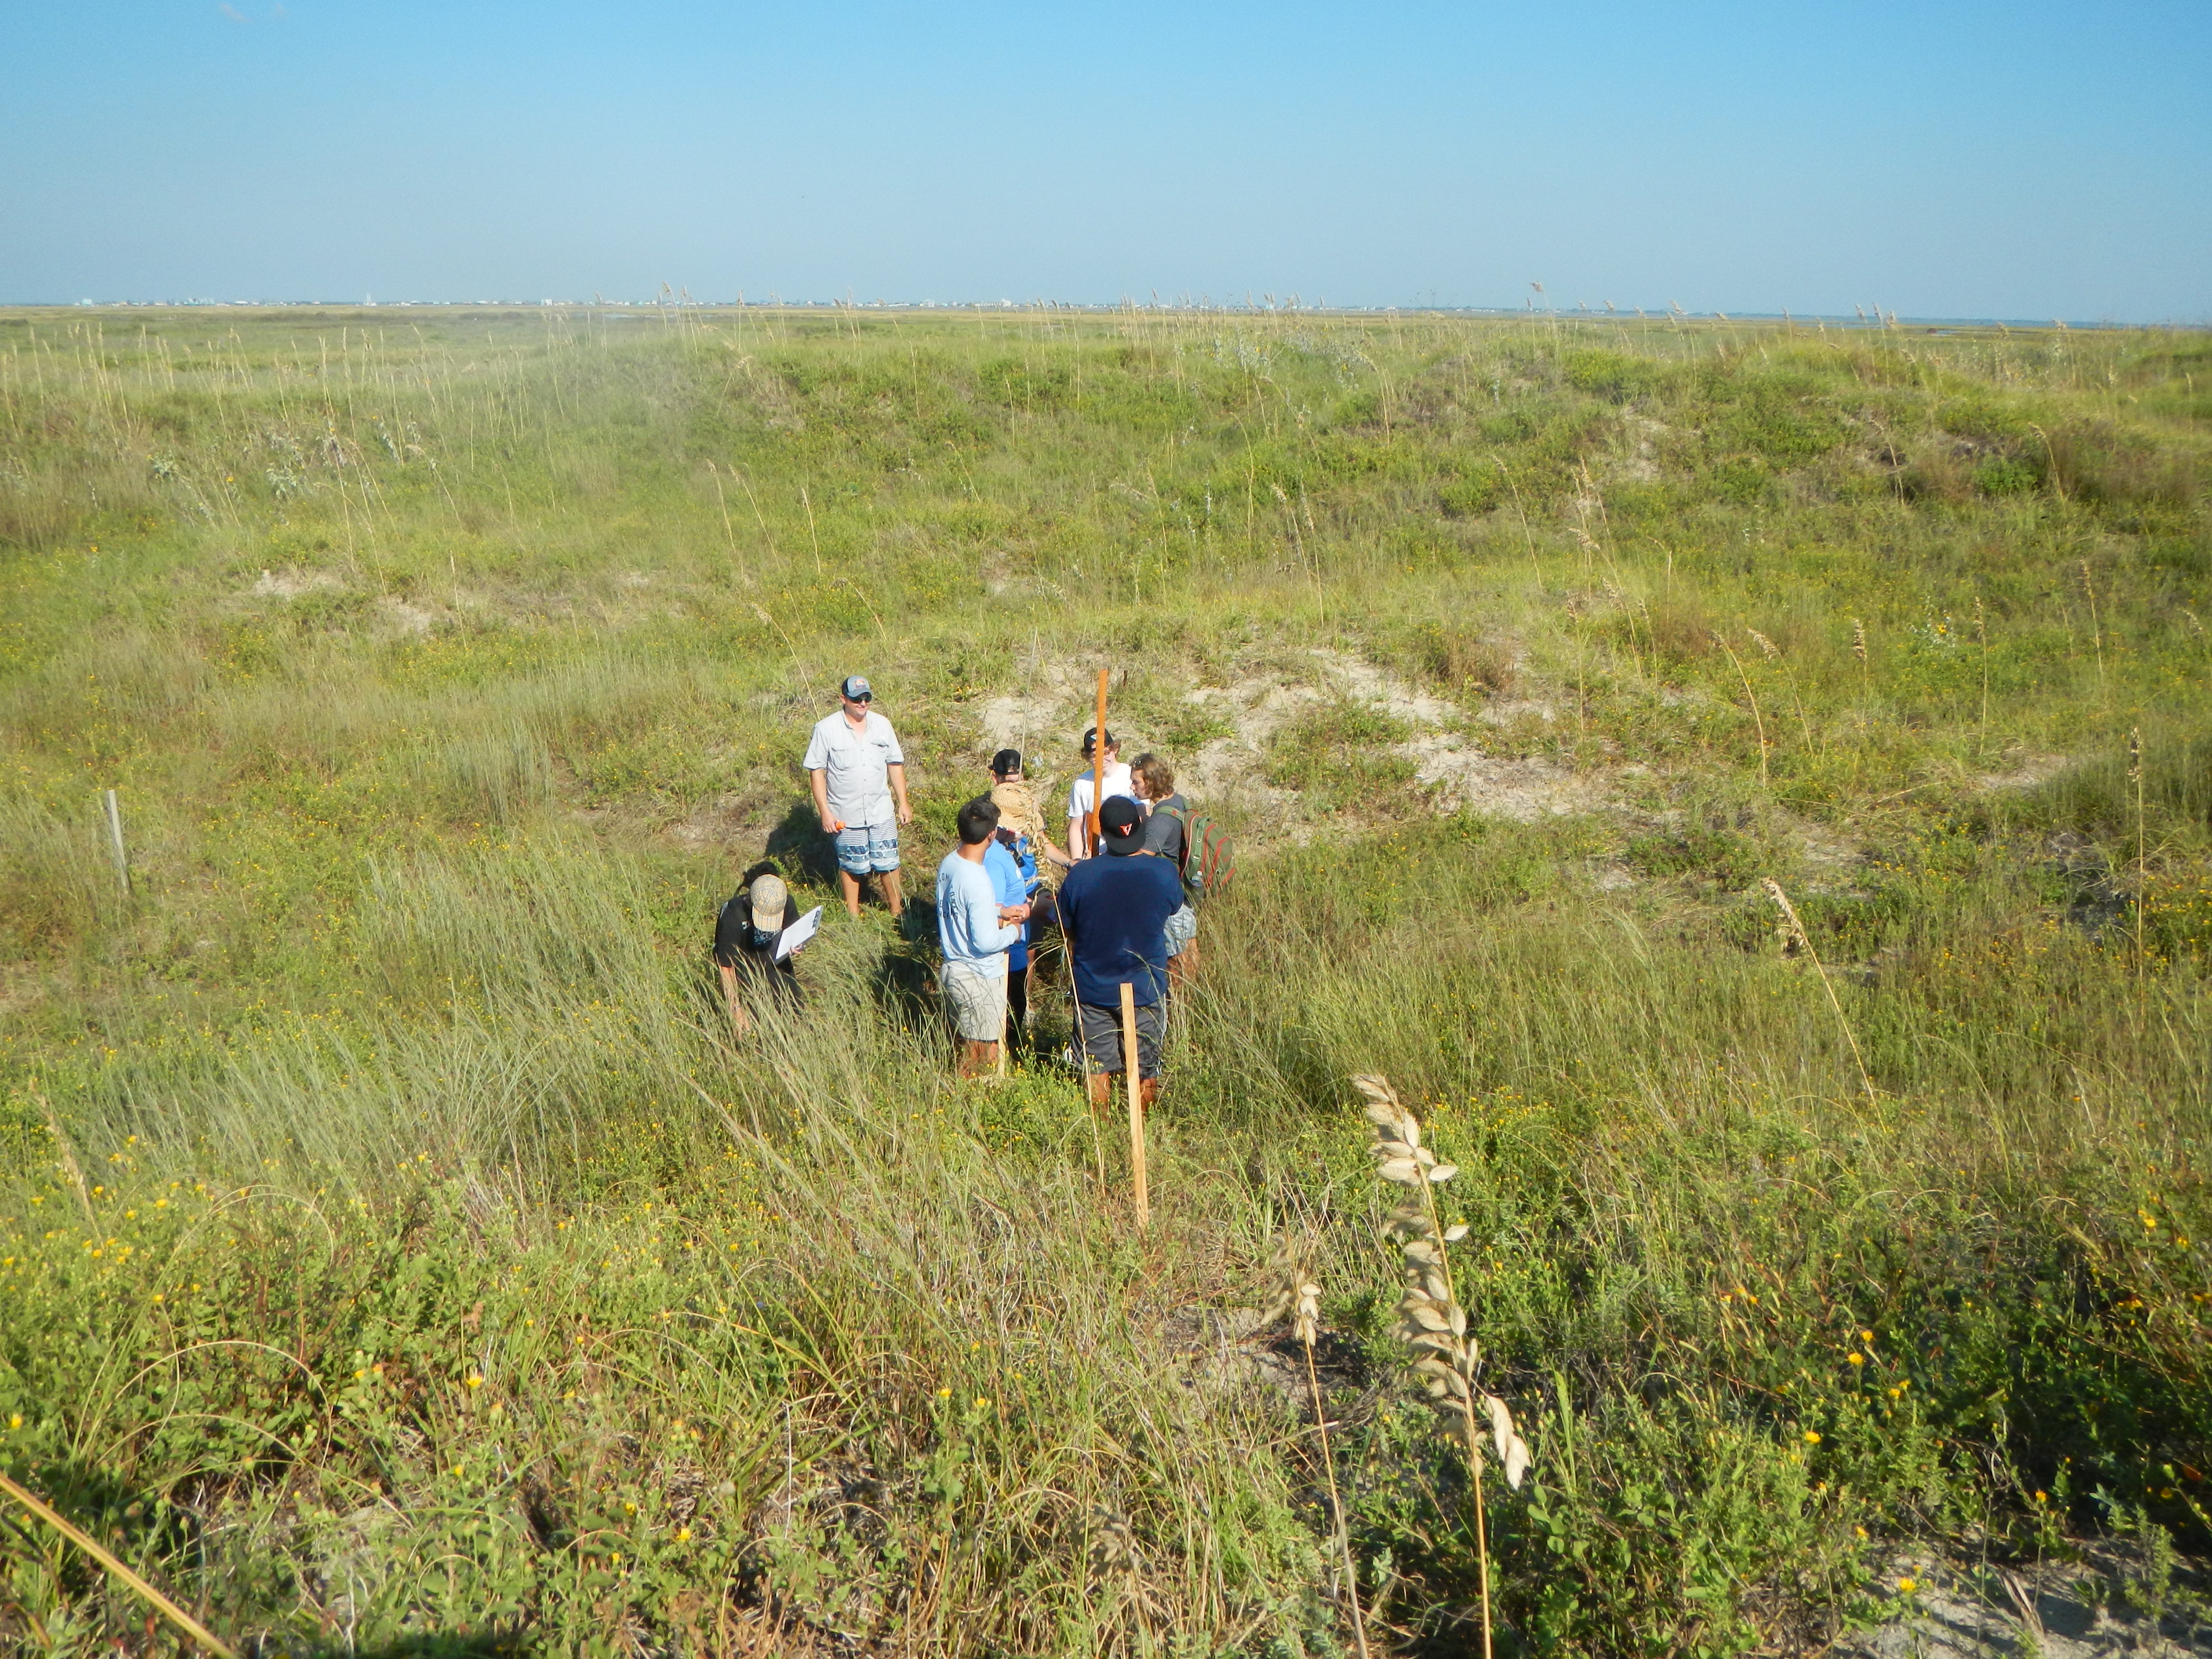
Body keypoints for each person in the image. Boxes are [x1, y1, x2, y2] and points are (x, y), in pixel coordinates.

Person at [1055, 795, 1185, 1109]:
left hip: (1094, 986)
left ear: (1105, 834)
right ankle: (1143, 1127)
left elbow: (1066, 928)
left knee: (1096, 1067)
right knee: (1145, 1066)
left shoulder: (1081, 876)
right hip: (1145, 986)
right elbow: (1173, 908)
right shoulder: (1163, 873)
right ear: (1139, 828)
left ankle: (1101, 1133)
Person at [803, 675, 913, 919]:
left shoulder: (883, 725)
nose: (863, 703)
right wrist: (826, 812)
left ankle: (897, 911)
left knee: (889, 861)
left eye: (867, 698)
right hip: (845, 813)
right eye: (856, 699)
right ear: (844, 699)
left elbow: (895, 764)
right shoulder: (826, 729)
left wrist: (903, 803)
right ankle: (852, 914)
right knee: (851, 865)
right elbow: (816, 771)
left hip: (880, 810)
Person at [936, 796, 1031, 1079]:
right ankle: (966, 1107)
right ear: (992, 835)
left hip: (955, 968)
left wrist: (1000, 912)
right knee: (979, 1057)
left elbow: (964, 907)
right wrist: (1014, 929)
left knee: (968, 1048)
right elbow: (987, 942)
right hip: (977, 977)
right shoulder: (978, 880)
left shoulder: (950, 864)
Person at [1130, 753, 1201, 988]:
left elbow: (1141, 858)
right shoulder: (1177, 801)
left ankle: (1177, 1013)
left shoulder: (1161, 820)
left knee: (1175, 964)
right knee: (1188, 953)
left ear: (1150, 782)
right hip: (1183, 893)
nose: (1133, 788)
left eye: (1136, 782)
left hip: (1169, 900)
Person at [712, 861, 802, 1037]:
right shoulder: (733, 916)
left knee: (794, 1021)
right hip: (745, 972)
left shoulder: (785, 902)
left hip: (777, 965)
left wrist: (797, 945)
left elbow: (794, 932)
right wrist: (735, 1008)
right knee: (753, 1031)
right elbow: (726, 967)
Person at [1064, 726, 1136, 863]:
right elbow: (1076, 825)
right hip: (1095, 858)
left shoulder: (1131, 777)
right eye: (1094, 756)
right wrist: (1077, 861)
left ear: (1115, 749)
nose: (1101, 759)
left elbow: (1143, 816)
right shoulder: (1082, 784)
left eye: (1106, 753)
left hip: (1127, 856)